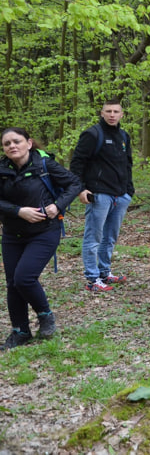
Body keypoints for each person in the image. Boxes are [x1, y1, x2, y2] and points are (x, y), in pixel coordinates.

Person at [0, 128, 82, 350]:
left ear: (29, 143)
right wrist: (18, 211)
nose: (11, 146)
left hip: (45, 231)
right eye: (7, 143)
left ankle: (45, 316)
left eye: (16, 141)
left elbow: (75, 183)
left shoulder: (45, 165)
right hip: (12, 234)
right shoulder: (2, 169)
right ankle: (20, 331)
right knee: (12, 284)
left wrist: (58, 205)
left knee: (24, 278)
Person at [70, 98, 134, 292]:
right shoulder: (92, 134)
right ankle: (92, 278)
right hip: (99, 195)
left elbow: (128, 163)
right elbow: (77, 163)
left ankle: (104, 272)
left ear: (122, 114)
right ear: (102, 113)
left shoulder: (124, 136)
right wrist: (81, 189)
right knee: (93, 237)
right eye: (108, 111)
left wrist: (129, 191)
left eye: (116, 111)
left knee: (110, 237)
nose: (112, 115)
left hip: (120, 195)